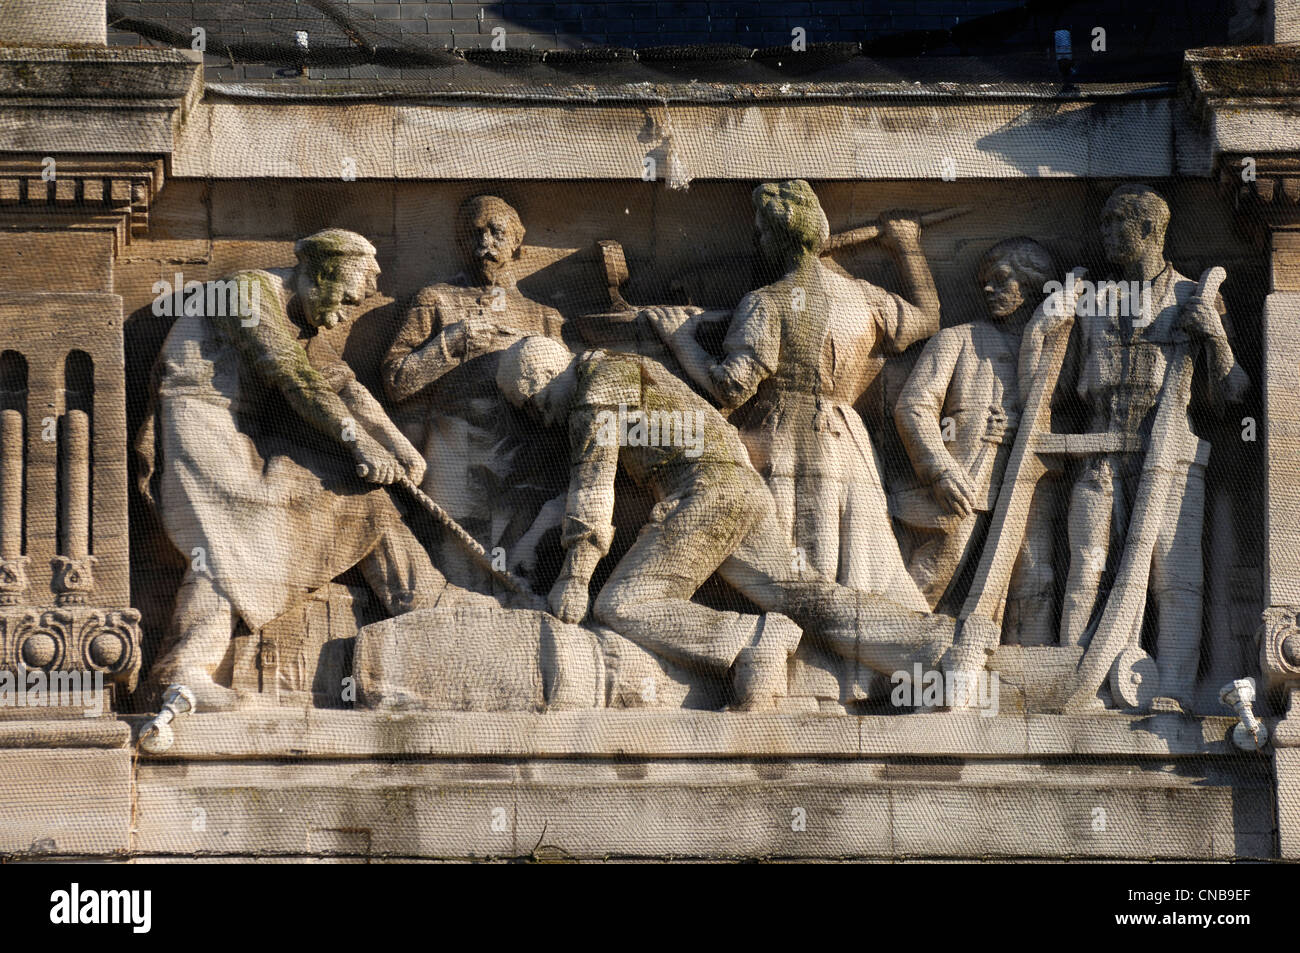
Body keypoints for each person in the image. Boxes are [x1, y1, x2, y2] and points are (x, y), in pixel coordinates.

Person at [137, 229, 510, 709]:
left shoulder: (302, 315)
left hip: (242, 432)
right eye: (348, 299)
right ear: (323, 271)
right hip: (199, 422)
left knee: (359, 497)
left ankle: (424, 601)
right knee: (227, 544)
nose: (346, 315)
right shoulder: (245, 292)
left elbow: (345, 386)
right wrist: (357, 442)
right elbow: (294, 376)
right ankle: (183, 669)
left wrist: (401, 449)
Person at [496, 336, 955, 711]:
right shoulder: (629, 368)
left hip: (704, 494)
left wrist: (575, 578)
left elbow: (593, 482)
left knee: (623, 603)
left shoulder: (593, 384)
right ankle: (937, 646)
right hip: (743, 491)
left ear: (541, 376)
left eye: (531, 402)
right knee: (802, 596)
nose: (538, 418)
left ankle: (754, 638)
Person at [647, 180, 938, 609]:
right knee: (859, 566)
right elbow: (928, 317)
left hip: (783, 441)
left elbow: (729, 389)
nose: (759, 241)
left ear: (774, 240)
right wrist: (907, 247)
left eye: (762, 233)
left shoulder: (766, 302)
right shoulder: (863, 296)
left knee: (788, 565)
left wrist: (680, 340)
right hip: (848, 442)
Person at [1056, 184, 1249, 709]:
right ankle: (1081, 689)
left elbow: (1233, 394)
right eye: (1102, 224)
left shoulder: (1197, 295)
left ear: (1150, 229)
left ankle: (1175, 691)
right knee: (1086, 568)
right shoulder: (1092, 302)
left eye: (1117, 222)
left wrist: (1216, 337)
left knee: (1175, 577)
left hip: (1173, 454)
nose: (1106, 233)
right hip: (1097, 449)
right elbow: (1057, 388)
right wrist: (1051, 325)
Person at [382, 195, 569, 589]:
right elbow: (396, 382)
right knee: (456, 560)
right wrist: (449, 345)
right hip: (456, 446)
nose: (485, 241)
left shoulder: (544, 317)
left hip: (524, 452)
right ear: (460, 242)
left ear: (517, 241)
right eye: (474, 232)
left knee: (518, 564)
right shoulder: (436, 300)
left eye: (496, 231)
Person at [893, 237, 1060, 642]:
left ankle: (1021, 683)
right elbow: (913, 407)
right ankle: (887, 670)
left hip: (1030, 492)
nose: (988, 289)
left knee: (1034, 580)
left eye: (1001, 280)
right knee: (930, 583)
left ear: (1033, 285)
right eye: (985, 281)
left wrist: (1026, 427)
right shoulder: (957, 339)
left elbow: (1072, 414)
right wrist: (939, 471)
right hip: (963, 490)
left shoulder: (1057, 352)